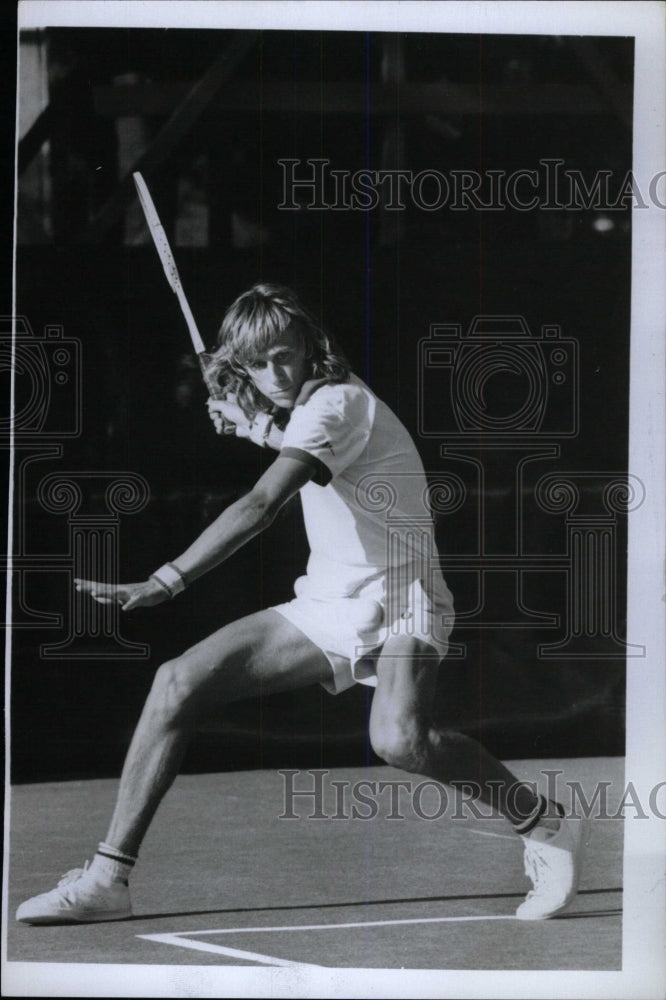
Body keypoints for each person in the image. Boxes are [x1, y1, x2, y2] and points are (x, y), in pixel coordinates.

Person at [16, 283, 588, 926]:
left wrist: (168, 578)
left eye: (284, 355)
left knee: (400, 739)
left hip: (402, 598)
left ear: (312, 345)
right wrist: (256, 424)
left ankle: (542, 824)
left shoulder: (339, 403)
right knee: (176, 683)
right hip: (327, 603)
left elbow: (262, 505)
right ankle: (106, 879)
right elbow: (309, 446)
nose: (274, 373)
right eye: (257, 364)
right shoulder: (312, 411)